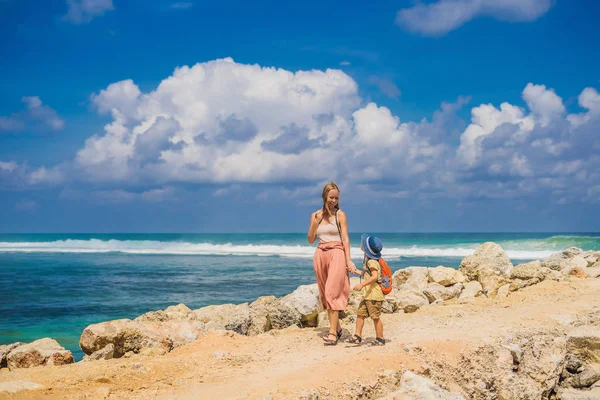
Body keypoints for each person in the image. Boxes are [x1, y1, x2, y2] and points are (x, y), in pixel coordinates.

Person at [308, 182, 358, 346]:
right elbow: (310, 239)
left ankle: (332, 334)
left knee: (332, 292)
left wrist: (348, 259)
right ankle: (337, 328)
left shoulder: (340, 215)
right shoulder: (315, 215)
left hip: (337, 253)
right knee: (324, 293)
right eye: (331, 197)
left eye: (336, 198)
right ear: (324, 196)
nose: (334, 200)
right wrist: (315, 222)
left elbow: (345, 238)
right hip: (320, 254)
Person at [347, 234, 385, 346]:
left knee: (375, 317)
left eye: (363, 244)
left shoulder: (371, 262)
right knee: (360, 314)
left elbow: (374, 276)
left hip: (374, 296)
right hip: (368, 295)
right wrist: (355, 271)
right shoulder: (369, 260)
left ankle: (380, 338)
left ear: (367, 249)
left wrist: (362, 285)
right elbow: (366, 274)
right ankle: (357, 336)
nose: (361, 245)